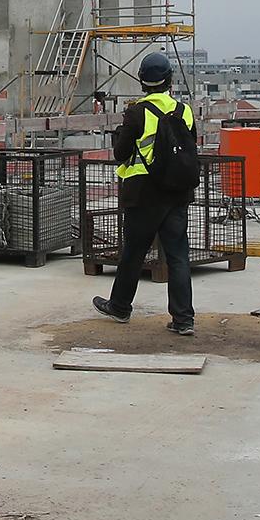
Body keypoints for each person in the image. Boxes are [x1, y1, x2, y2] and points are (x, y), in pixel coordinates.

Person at [92, 52, 197, 335]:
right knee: (177, 256)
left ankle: (120, 306)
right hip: (176, 193)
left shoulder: (137, 111)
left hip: (143, 194)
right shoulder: (184, 111)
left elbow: (120, 153)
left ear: (142, 81)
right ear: (170, 80)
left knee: (134, 253)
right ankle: (183, 319)